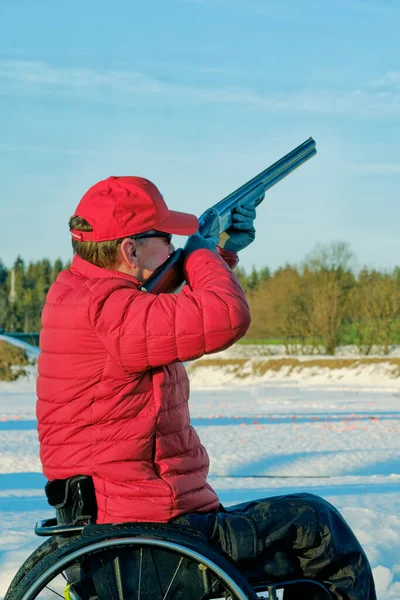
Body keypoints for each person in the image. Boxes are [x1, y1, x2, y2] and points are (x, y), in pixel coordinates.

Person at [37, 175, 376, 600]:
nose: (174, 245)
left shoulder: (79, 293)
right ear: (130, 249)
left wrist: (219, 251)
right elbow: (225, 315)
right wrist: (201, 252)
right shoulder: (113, 311)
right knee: (318, 528)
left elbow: (166, 312)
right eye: (166, 237)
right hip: (153, 532)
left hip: (123, 516)